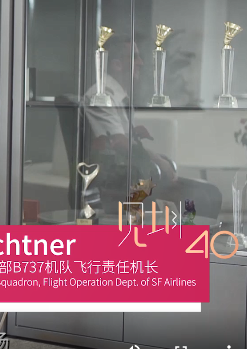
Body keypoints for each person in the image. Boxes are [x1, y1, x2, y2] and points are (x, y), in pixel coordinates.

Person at [82, 34, 220, 216]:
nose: (141, 63)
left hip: (133, 174)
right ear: (117, 65)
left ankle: (188, 233)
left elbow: (126, 141)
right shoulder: (101, 96)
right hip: (117, 181)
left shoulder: (118, 95)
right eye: (134, 57)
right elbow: (119, 142)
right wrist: (157, 160)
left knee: (211, 193)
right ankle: (185, 235)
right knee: (201, 197)